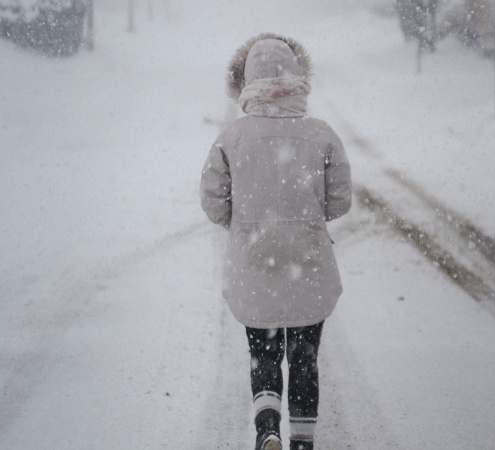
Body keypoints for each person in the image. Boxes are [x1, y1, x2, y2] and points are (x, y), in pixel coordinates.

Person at [200, 33, 352, 450]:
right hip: (309, 263)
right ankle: (303, 441)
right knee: (304, 358)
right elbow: (340, 201)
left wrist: (247, 221)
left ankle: (267, 431)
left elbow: (214, 204)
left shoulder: (230, 138)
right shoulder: (321, 134)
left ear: (246, 81)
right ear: (298, 78)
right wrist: (305, 215)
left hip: (255, 266)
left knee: (264, 356)